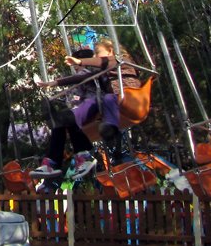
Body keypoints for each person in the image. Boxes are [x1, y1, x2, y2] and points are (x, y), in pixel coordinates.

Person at [32, 39, 140, 176]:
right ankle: (53, 162)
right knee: (63, 120)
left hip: (125, 97)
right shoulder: (105, 70)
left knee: (72, 115)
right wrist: (54, 83)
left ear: (111, 51)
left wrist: (81, 61)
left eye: (97, 53)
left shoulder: (121, 60)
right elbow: (79, 78)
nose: (95, 57)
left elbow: (104, 62)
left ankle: (107, 130)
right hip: (108, 102)